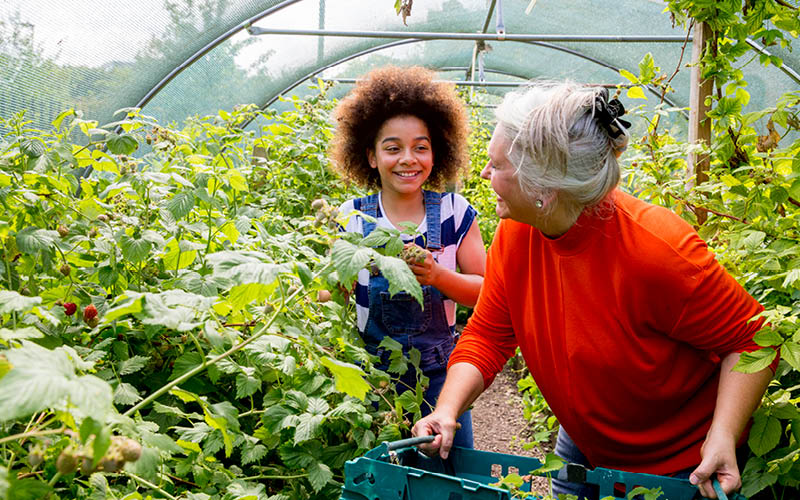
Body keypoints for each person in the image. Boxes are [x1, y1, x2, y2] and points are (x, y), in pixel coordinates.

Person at [411, 81, 776, 499]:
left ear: (544, 190)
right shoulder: (517, 234)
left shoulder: (657, 252)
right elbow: (489, 334)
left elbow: (754, 341)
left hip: (677, 468)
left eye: (496, 166)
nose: (484, 174)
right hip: (583, 447)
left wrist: (723, 436)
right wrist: (447, 410)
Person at [329, 66, 486, 449]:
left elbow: (486, 292)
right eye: (392, 148)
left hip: (440, 377)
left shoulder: (454, 212)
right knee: (384, 474)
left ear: (436, 152)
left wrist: (437, 276)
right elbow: (332, 298)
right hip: (372, 377)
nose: (408, 159)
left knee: (448, 468)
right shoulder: (353, 218)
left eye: (420, 147)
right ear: (370, 156)